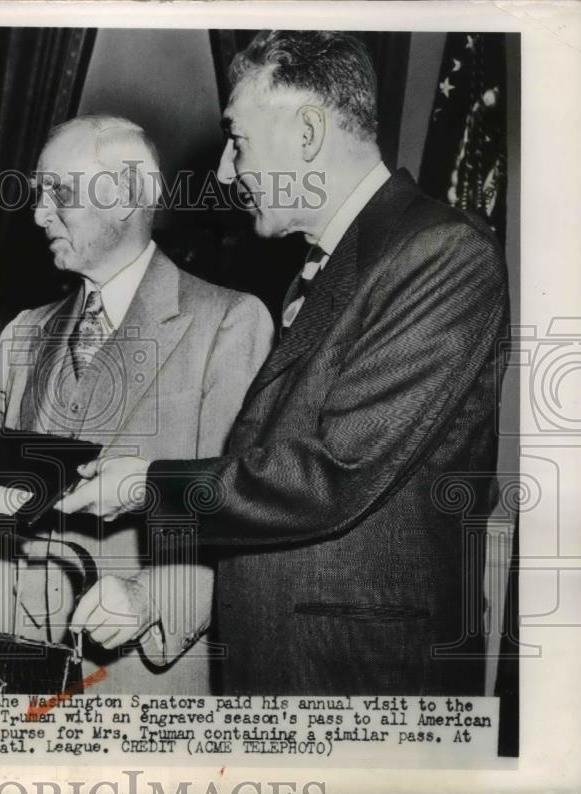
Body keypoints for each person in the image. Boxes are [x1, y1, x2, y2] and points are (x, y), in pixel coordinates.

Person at [59, 31, 510, 695]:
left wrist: (145, 482)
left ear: (306, 132)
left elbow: (333, 471)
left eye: (237, 140)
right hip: (289, 660)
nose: (223, 172)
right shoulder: (327, 267)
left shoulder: (441, 253)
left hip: (363, 674)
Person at [0, 116, 273, 693]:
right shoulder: (23, 332)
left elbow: (242, 515)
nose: (37, 215)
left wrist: (147, 598)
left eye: (59, 192)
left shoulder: (228, 324)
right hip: (11, 667)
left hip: (142, 675)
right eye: (38, 195)